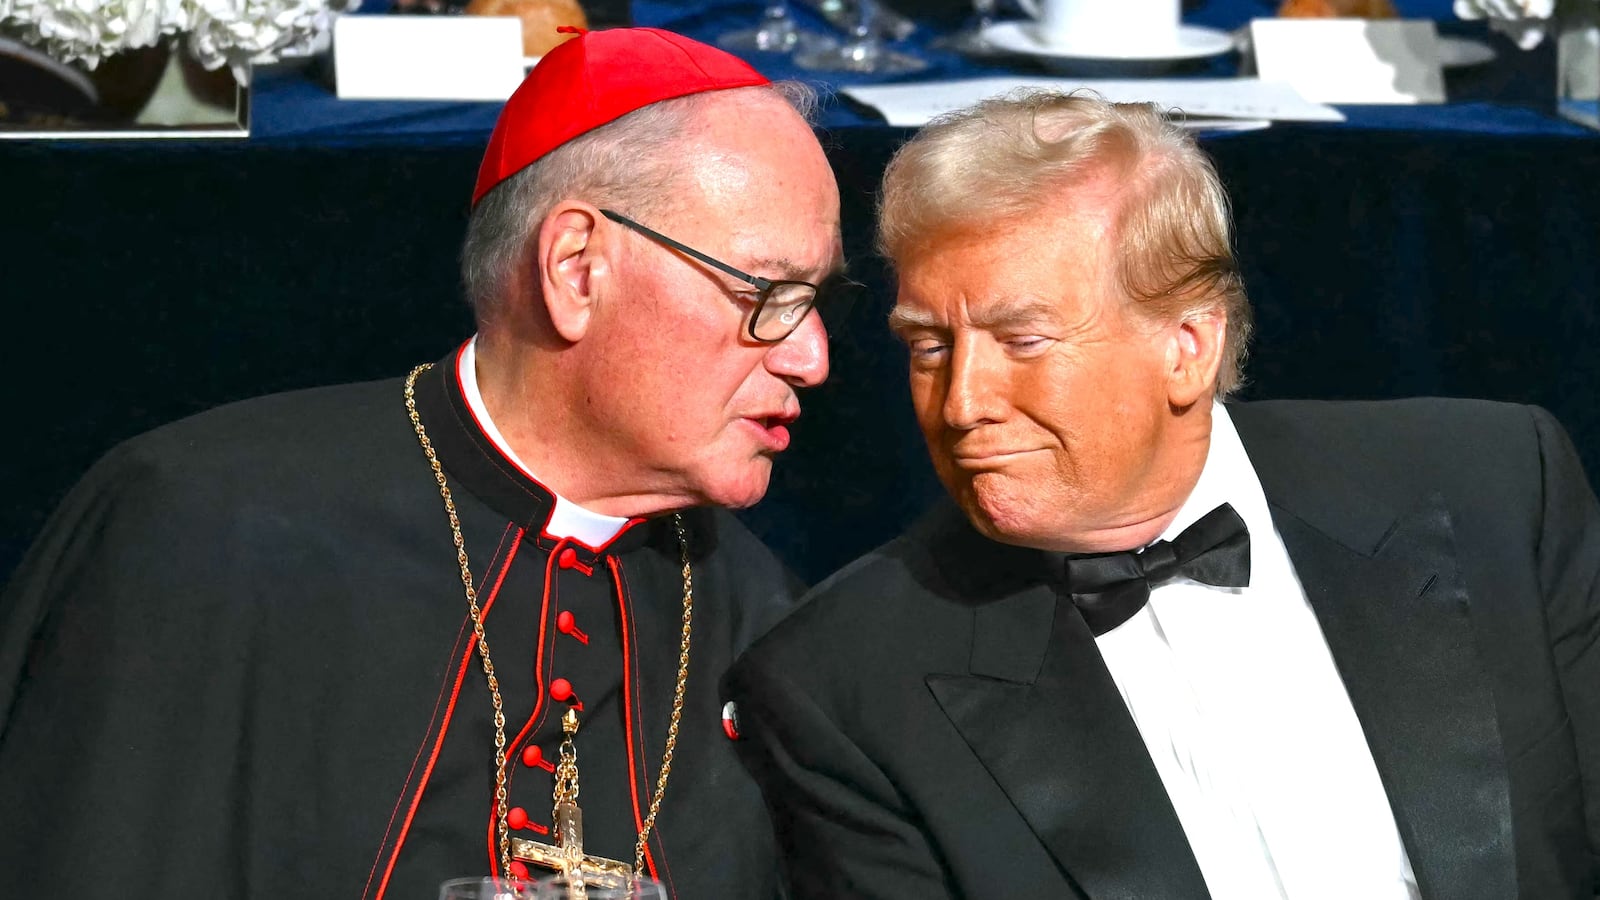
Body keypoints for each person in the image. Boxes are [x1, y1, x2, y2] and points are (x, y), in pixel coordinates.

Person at [0, 27, 843, 900]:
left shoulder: (763, 614)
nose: (812, 357)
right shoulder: (201, 530)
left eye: (817, 301)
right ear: (576, 271)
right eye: (767, 293)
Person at [724, 91, 1600, 900]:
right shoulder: (843, 685)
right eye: (929, 349)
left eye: (1022, 340)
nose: (962, 404)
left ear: (1187, 346)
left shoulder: (1495, 486)